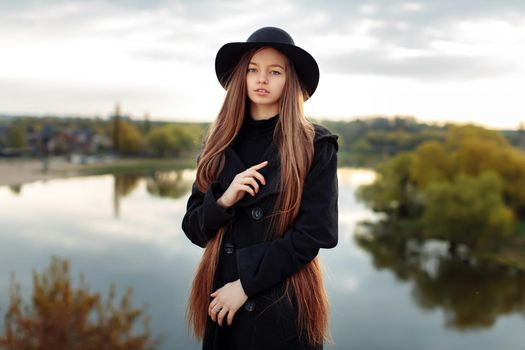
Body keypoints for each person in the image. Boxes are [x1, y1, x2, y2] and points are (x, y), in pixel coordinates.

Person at [181, 26, 339, 350]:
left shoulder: (316, 145)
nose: (261, 79)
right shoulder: (217, 144)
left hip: (282, 308)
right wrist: (224, 201)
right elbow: (194, 229)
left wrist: (244, 286)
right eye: (253, 69)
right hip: (223, 308)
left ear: (289, 79)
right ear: (242, 76)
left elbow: (315, 234)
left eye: (274, 71)